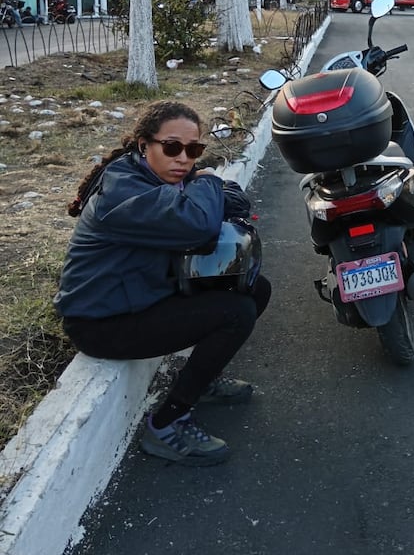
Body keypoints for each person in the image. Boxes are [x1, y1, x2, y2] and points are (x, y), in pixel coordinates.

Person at [55, 100, 272, 465]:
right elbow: (199, 222)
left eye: (194, 150)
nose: (184, 158)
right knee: (236, 312)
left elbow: (233, 198)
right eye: (172, 147)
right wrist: (206, 182)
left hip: (142, 294)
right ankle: (167, 425)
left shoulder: (156, 175)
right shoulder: (123, 193)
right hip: (102, 320)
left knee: (254, 287)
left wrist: (208, 186)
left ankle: (202, 381)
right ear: (144, 146)